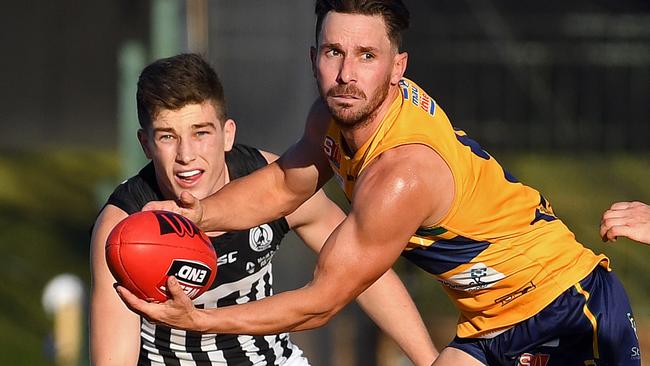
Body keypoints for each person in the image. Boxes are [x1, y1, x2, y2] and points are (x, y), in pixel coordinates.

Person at [119, 2, 641, 365]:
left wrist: (198, 321)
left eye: (366, 56)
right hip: (490, 325)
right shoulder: (332, 115)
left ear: (398, 66)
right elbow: (283, 185)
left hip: (566, 310)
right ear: (313, 58)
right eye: (333, 53)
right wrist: (197, 216)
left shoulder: (400, 174)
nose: (347, 73)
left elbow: (321, 302)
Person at [90, 53, 438, 366]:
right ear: (146, 145)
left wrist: (429, 360)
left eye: (201, 132)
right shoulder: (126, 228)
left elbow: (367, 272)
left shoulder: (273, 185)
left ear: (227, 135)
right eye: (167, 136)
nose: (186, 155)